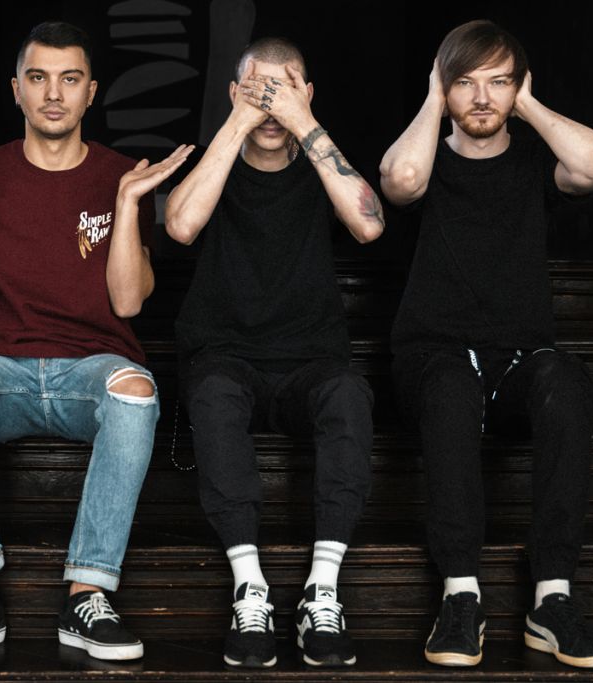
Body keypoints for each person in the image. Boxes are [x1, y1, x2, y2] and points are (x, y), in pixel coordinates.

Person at [0, 21, 193, 662]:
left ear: (91, 92)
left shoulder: (122, 176)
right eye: (38, 78)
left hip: (91, 373)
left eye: (69, 79)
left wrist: (128, 205)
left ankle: (87, 595)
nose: (53, 94)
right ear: (16, 90)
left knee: (137, 391)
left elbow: (128, 303)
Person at [379, 19, 593, 669]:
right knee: (452, 386)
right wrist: (434, 99)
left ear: (519, 86)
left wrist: (528, 104)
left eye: (499, 82)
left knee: (566, 379)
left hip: (517, 360)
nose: (482, 98)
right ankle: (461, 597)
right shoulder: (428, 157)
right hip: (433, 358)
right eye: (466, 83)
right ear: (443, 86)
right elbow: (400, 179)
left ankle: (553, 601)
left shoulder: (536, 163)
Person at [164, 37, 383, 668]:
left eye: (282, 88)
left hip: (310, 361)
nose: (269, 103)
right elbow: (180, 225)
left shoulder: (319, 160)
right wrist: (238, 121)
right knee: (212, 392)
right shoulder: (222, 158)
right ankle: (249, 588)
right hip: (225, 358)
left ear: (307, 95)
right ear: (234, 93)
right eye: (255, 89)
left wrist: (302, 123)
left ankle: (323, 589)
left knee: (350, 394)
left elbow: (369, 224)